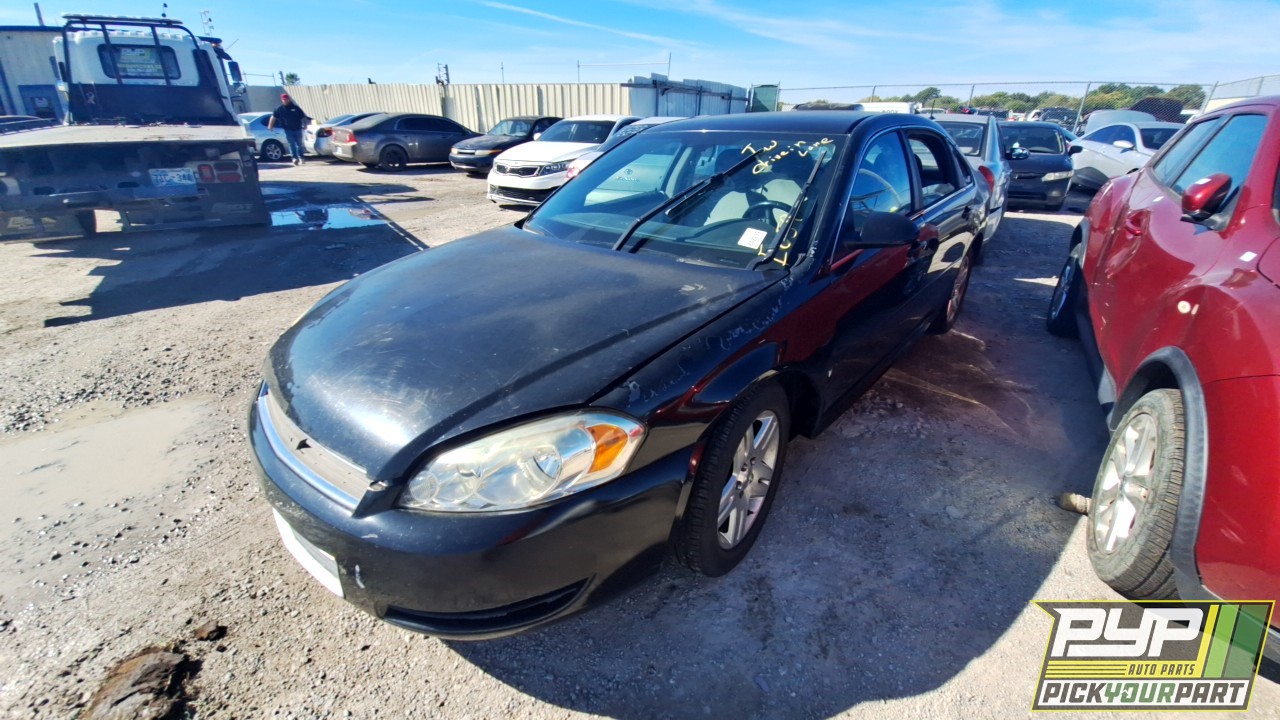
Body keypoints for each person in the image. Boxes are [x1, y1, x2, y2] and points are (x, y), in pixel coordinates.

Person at [268, 93, 309, 165]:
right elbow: (273, 117)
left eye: (286, 99)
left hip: (298, 128)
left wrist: (305, 125)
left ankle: (301, 157)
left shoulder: (295, 108)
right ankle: (294, 158)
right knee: (291, 143)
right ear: (281, 100)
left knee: (299, 144)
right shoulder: (279, 109)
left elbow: (303, 117)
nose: (285, 101)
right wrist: (270, 125)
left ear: (289, 99)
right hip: (288, 129)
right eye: (284, 100)